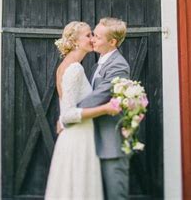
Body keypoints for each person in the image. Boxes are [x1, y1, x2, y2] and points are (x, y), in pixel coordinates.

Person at [45, 21, 120, 199]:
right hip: (78, 138)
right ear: (76, 42)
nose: (93, 39)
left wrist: (62, 120)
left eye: (93, 35)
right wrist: (106, 108)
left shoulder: (65, 66)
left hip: (77, 136)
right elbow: (69, 114)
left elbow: (66, 108)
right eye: (89, 35)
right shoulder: (75, 69)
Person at [73, 17, 131, 200]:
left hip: (111, 144)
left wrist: (70, 113)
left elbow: (99, 97)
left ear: (112, 42)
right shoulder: (98, 64)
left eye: (97, 37)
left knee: (116, 196)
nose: (92, 40)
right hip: (94, 140)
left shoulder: (118, 65)